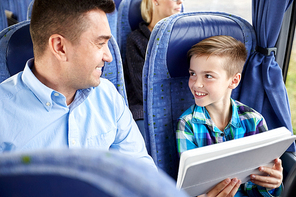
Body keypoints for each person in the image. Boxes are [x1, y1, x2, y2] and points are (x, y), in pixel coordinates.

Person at [0, 0, 156, 169]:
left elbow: (142, 172)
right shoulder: (4, 113)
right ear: (60, 47)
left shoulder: (108, 96)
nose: (109, 56)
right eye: (100, 44)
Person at [176, 35, 283, 196]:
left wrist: (272, 184)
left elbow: (259, 180)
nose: (196, 83)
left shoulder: (254, 120)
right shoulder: (187, 124)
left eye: (208, 76)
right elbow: (191, 187)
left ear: (233, 81)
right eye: (193, 73)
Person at [125, 0, 183, 120]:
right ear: (155, 1)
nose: (180, 1)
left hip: (179, 104)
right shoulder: (136, 39)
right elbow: (142, 91)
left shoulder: (183, 36)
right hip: (145, 107)